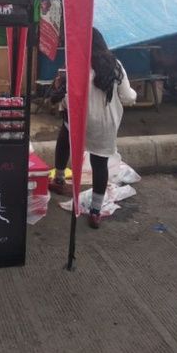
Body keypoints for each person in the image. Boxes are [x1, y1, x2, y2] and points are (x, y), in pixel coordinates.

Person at [48, 28, 137, 229]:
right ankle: (95, 212)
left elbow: (68, 96)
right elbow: (128, 97)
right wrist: (132, 95)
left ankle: (59, 180)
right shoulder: (115, 65)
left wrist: (63, 103)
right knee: (99, 164)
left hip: (80, 120)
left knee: (65, 138)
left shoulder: (77, 63)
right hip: (105, 124)